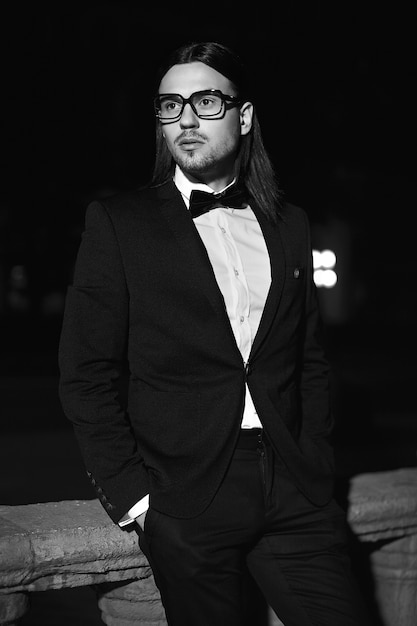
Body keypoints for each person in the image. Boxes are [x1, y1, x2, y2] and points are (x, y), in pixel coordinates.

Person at [59, 41, 369, 626]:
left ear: (244, 116)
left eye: (204, 101)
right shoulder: (119, 224)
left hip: (295, 490)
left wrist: (317, 462)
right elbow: (85, 375)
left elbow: (309, 358)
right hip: (189, 497)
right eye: (169, 106)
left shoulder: (290, 224)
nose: (187, 120)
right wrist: (139, 503)